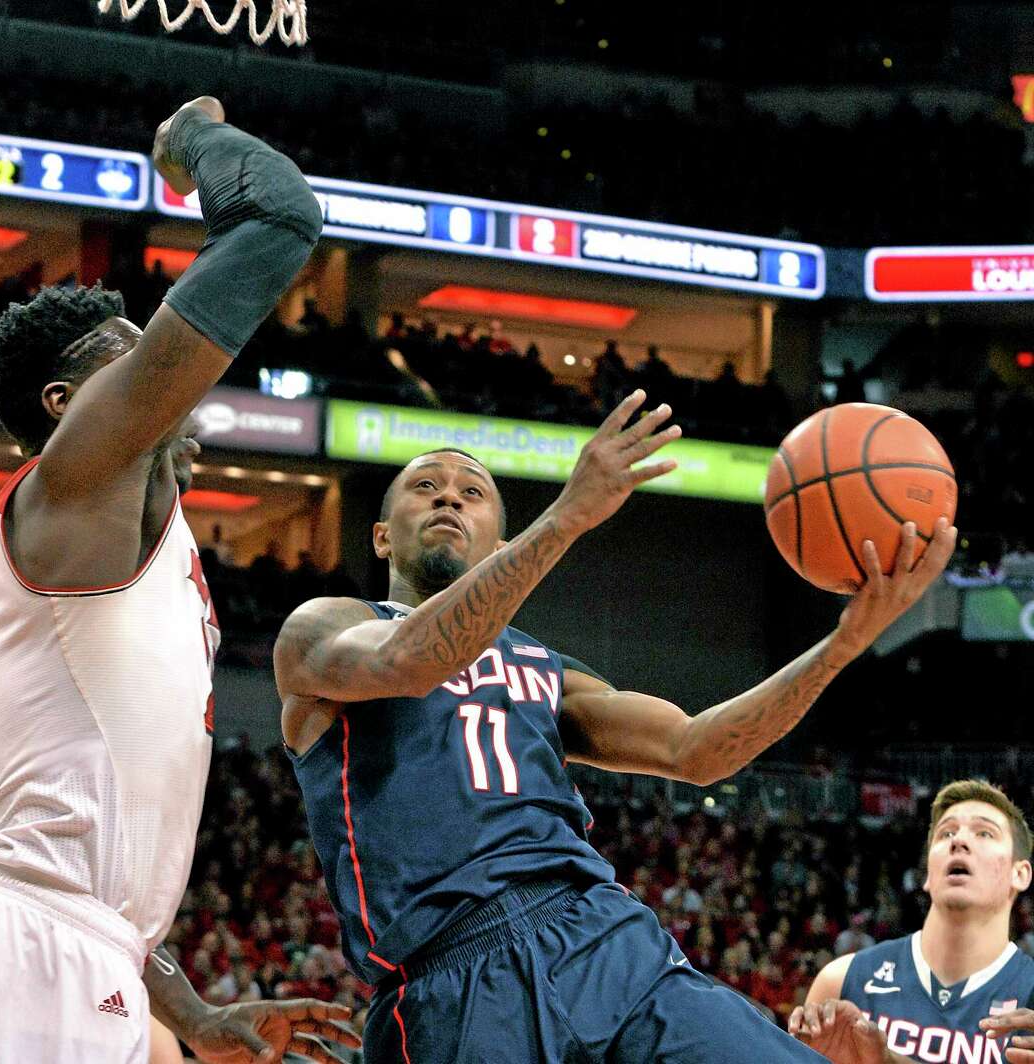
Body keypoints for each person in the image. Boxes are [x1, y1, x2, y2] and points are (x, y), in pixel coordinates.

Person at [0, 96, 355, 1064]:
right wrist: (191, 144)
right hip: (16, 957)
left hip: (81, 955)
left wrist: (190, 1012)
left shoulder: (138, 543)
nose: (165, 365)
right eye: (129, 352)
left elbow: (89, 874)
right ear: (66, 403)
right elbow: (280, 219)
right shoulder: (73, 484)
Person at [273, 398, 955, 1064]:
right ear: (382, 534)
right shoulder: (321, 628)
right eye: (425, 487)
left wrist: (843, 644)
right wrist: (567, 517)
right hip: (453, 971)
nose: (449, 499)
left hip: (602, 936)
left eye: (472, 493)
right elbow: (411, 660)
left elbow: (695, 749)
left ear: (501, 544)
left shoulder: (545, 669)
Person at [790, 780, 1034, 1064]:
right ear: (928, 874)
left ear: (1021, 874)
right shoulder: (842, 980)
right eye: (946, 833)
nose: (959, 841)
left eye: (984, 833)